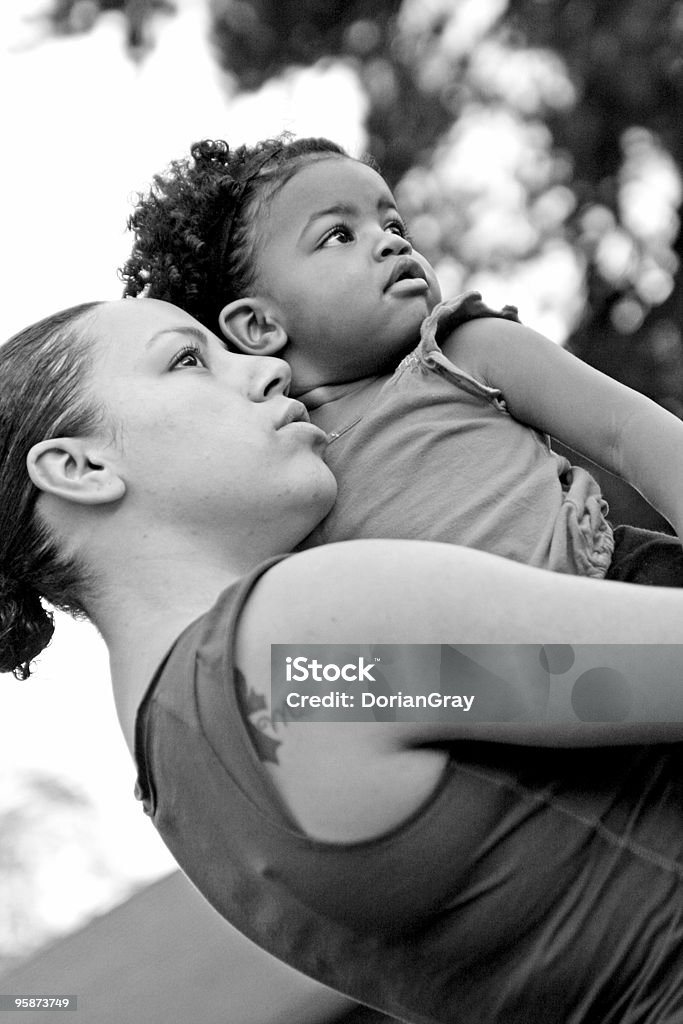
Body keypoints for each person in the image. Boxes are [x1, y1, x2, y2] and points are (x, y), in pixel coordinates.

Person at [3, 295, 683, 1023]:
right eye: (187, 359)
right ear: (79, 466)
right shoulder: (298, 640)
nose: (267, 370)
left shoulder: (180, 786)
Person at [121, 136, 683, 586]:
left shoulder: (463, 349)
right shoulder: (278, 462)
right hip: (500, 699)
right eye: (339, 234)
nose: (392, 243)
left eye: (393, 225)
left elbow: (625, 432)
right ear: (260, 326)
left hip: (620, 584)